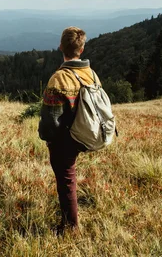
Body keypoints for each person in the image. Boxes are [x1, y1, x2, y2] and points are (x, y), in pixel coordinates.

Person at [38, 26, 101, 235]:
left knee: (66, 179)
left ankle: (70, 227)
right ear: (81, 50)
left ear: (60, 47)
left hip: (65, 139)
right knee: (69, 176)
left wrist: (48, 139)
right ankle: (70, 221)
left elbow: (51, 121)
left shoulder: (59, 79)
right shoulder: (91, 74)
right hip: (85, 133)